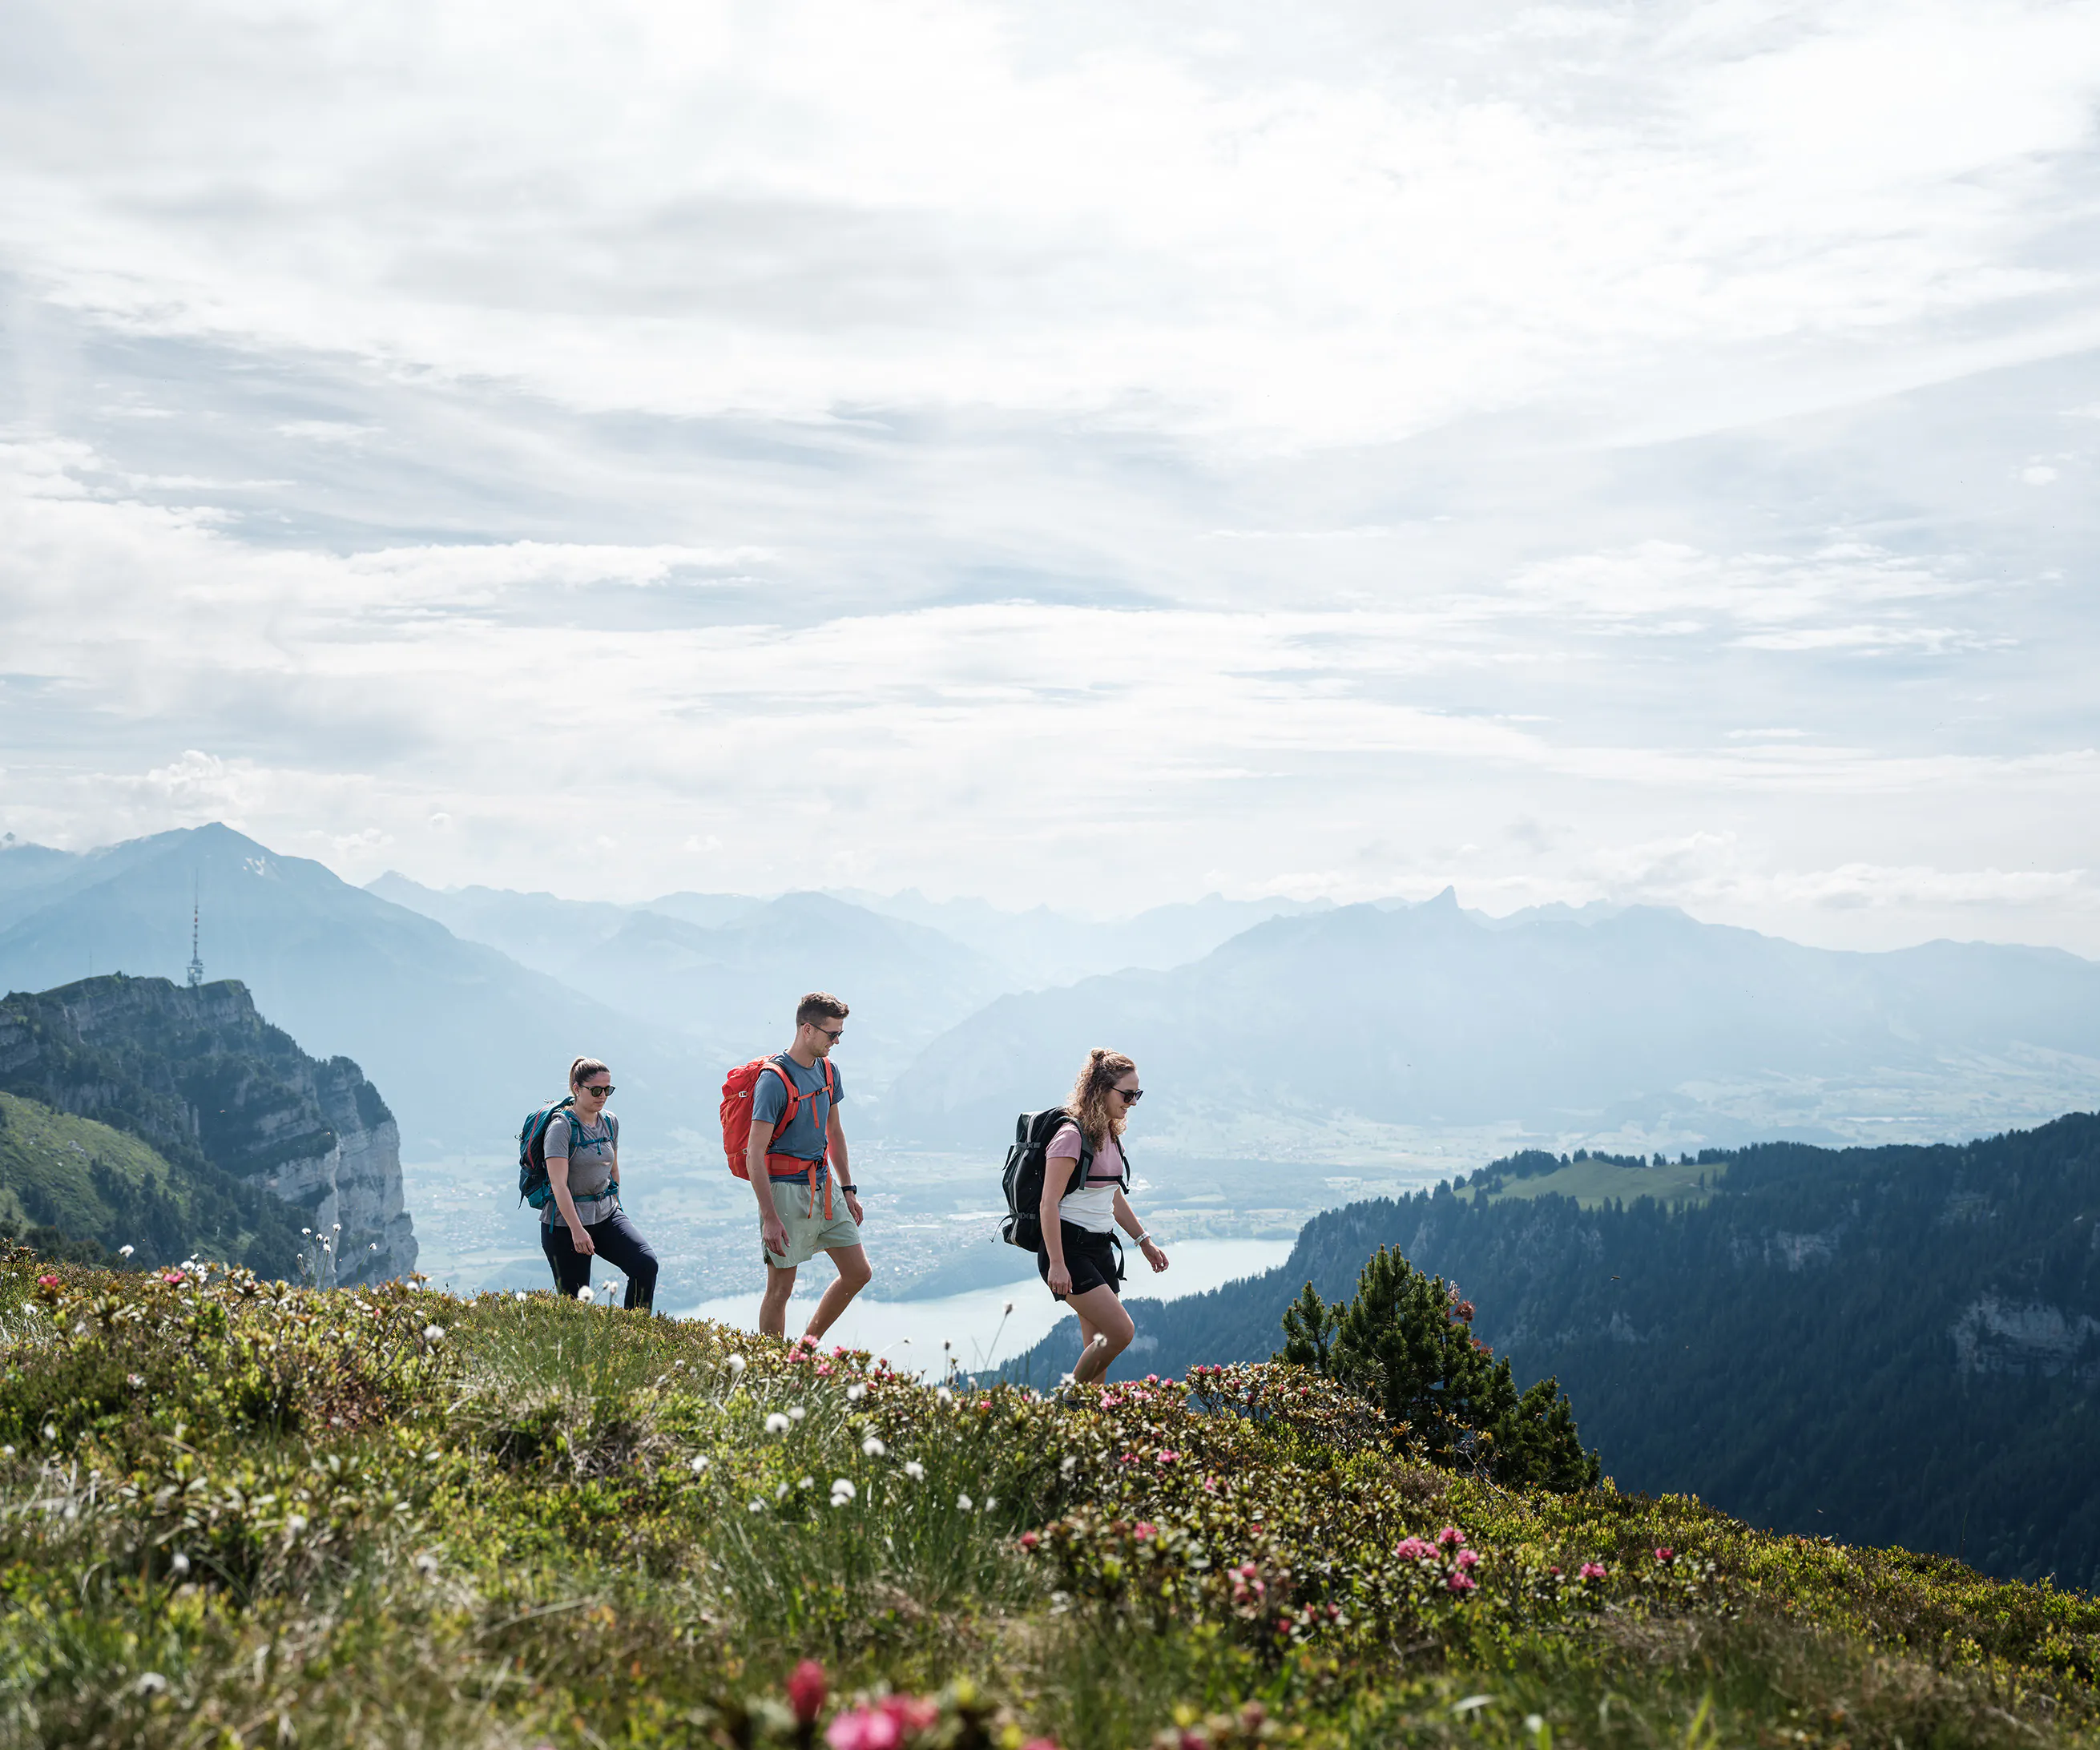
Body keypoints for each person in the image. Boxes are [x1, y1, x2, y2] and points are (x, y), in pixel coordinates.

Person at [1039, 1047, 1168, 1384]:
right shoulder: (1070, 1137)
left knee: (1097, 1347)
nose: (1133, 1102)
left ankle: (1087, 1423)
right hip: (1069, 1251)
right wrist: (1057, 1263)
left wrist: (1144, 1242)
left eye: (1137, 1094)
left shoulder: (1108, 1133)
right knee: (1121, 1332)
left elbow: (1112, 1194)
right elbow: (1048, 1203)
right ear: (1100, 1088)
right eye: (1127, 1094)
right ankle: (1067, 1399)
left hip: (1099, 1250)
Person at [748, 993, 869, 1342]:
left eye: (840, 1034)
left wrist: (848, 1189)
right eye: (832, 1034)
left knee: (858, 1272)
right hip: (785, 1190)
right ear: (807, 1030)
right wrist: (769, 1216)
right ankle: (770, 1368)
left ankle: (804, 1348)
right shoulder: (774, 1080)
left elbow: (834, 1132)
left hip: (825, 1185)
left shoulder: (828, 1071)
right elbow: (754, 1153)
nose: (836, 1042)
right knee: (781, 1288)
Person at [542, 1056, 659, 1310]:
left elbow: (613, 1168)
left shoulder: (609, 1121)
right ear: (576, 1089)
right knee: (576, 1305)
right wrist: (577, 1230)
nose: (603, 1096)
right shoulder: (561, 1128)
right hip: (564, 1225)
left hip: (605, 1213)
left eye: (608, 1090)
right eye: (596, 1090)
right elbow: (558, 1185)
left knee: (645, 1264)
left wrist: (615, 1203)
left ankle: (635, 1336)